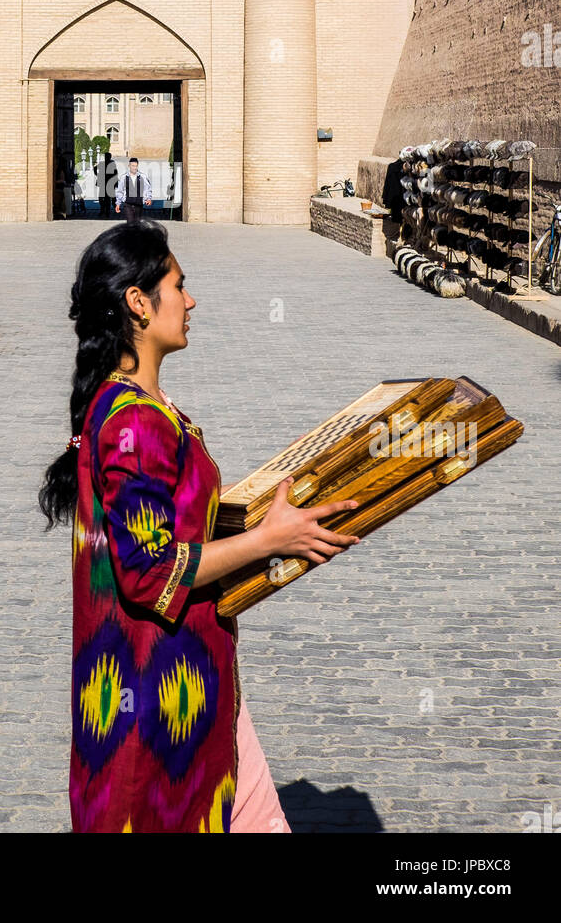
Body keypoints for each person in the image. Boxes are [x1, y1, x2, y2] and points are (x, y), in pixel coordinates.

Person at [39, 220, 361, 833]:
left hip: (196, 683)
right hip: (157, 701)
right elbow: (146, 571)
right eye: (179, 287)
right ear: (139, 302)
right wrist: (269, 541)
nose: (190, 301)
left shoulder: (135, 408)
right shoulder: (135, 422)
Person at [114, 156, 153, 223]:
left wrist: (148, 198)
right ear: (129, 166)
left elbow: (148, 188)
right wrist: (118, 204)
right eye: (133, 166)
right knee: (130, 223)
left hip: (139, 203)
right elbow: (120, 191)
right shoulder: (124, 177)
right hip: (128, 204)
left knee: (137, 223)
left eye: (136, 166)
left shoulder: (142, 176)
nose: (134, 168)